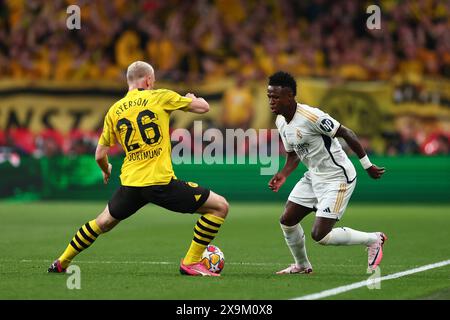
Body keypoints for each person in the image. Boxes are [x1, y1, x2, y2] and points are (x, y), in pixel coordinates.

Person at [48, 61, 229, 277]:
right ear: (149, 80)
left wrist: (106, 170)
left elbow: (99, 155)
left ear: (129, 82)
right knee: (219, 206)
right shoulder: (160, 96)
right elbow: (204, 108)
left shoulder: (114, 111)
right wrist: (191, 99)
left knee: (103, 222)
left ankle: (62, 261)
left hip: (131, 185)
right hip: (159, 183)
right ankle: (190, 262)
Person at [267, 71, 386, 274]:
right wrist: (284, 174)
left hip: (338, 178)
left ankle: (374, 239)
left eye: (276, 97)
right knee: (287, 220)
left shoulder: (312, 117)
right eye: (269, 96)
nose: (271, 101)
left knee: (320, 235)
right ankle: (302, 265)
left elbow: (347, 133)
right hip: (313, 176)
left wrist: (367, 165)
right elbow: (293, 155)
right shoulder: (280, 121)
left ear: (290, 96)